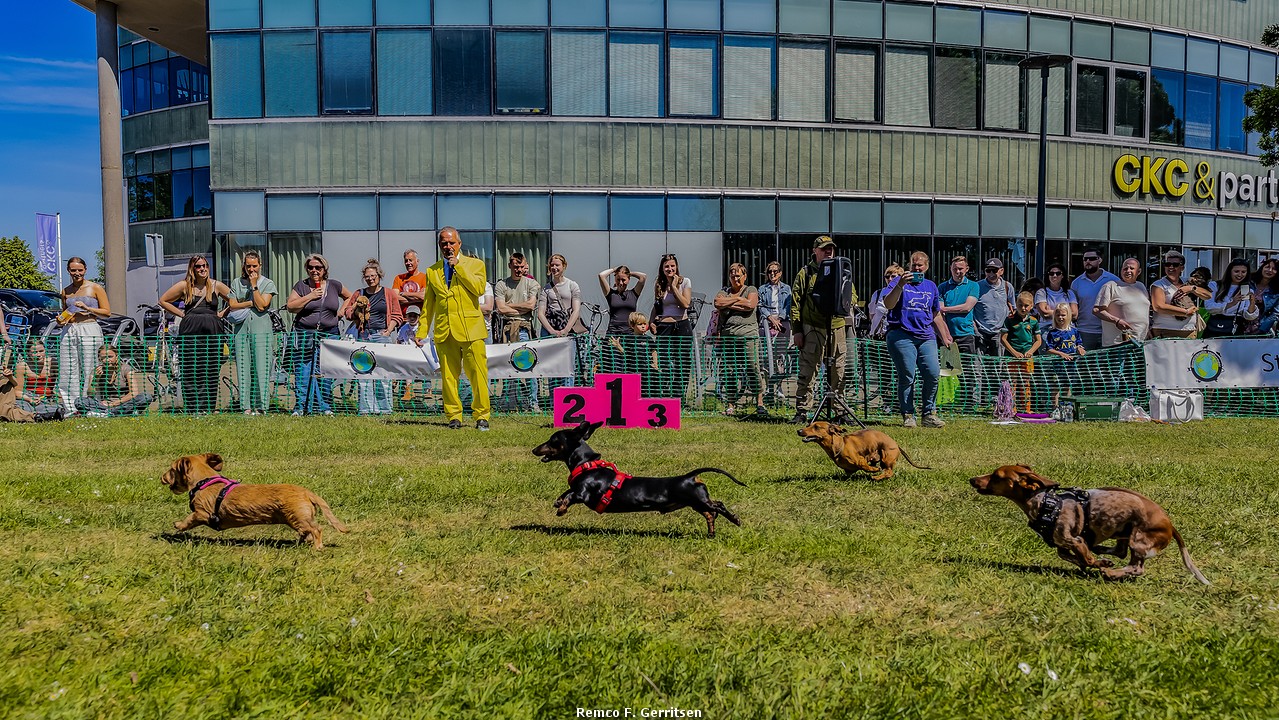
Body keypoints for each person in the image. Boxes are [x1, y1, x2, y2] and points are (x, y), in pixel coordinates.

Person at [417, 227, 490, 431]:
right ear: (440, 246)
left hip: (471, 330)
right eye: (444, 243)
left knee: (478, 374)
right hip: (444, 330)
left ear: (459, 244)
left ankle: (482, 415)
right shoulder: (432, 271)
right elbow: (429, 305)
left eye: (451, 243)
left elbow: (478, 289)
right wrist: (422, 331)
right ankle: (454, 416)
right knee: (448, 377)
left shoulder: (476, 264)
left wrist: (459, 267)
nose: (448, 247)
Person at [788, 236, 855, 424]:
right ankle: (802, 411)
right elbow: (795, 304)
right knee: (808, 370)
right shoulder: (806, 273)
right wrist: (797, 331)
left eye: (831, 248)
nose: (829, 252)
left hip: (837, 327)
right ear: (815, 251)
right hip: (813, 327)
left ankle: (840, 411)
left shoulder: (842, 270)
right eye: (824, 248)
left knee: (839, 371)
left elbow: (852, 294)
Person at [882, 251, 953, 428]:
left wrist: (944, 335)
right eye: (913, 265)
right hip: (901, 335)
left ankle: (929, 414)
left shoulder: (931, 286)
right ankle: (908, 415)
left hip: (926, 336)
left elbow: (935, 313)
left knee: (932, 373)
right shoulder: (898, 282)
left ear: (926, 266)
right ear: (909, 266)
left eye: (920, 265)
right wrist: (899, 284)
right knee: (907, 375)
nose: (916, 268)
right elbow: (888, 304)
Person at [158, 255, 232, 414]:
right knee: (190, 370)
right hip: (190, 330)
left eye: (205, 265)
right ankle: (192, 408)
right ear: (193, 268)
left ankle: (207, 408)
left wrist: (221, 314)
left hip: (213, 331)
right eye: (198, 266)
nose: (202, 269)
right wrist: (182, 314)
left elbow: (235, 300)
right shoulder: (184, 286)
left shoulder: (216, 285)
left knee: (210, 370)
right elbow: (163, 300)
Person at [285, 253, 350, 416]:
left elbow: (351, 297)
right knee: (303, 370)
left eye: (318, 267)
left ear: (324, 269)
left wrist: (341, 311)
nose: (314, 270)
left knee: (326, 371)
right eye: (311, 267)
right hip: (305, 334)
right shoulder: (301, 286)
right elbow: (290, 306)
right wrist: (310, 296)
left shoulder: (334, 285)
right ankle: (301, 407)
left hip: (329, 335)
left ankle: (325, 407)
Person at [342, 258, 403, 415]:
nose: (370, 279)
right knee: (364, 373)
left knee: (384, 375)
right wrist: (356, 304)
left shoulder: (388, 293)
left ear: (379, 275)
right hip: (363, 336)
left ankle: (385, 409)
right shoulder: (359, 293)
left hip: (382, 336)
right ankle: (365, 409)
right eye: (367, 276)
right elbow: (347, 313)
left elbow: (397, 315)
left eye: (373, 276)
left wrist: (388, 331)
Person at [57, 256, 110, 415]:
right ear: (68, 271)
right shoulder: (65, 291)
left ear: (85, 270)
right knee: (68, 369)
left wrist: (87, 308)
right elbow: (64, 312)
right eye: (73, 270)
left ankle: (92, 406)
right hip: (70, 329)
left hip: (89, 327)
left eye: (80, 270)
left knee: (91, 367)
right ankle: (71, 408)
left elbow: (107, 312)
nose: (77, 273)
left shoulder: (95, 288)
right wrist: (61, 320)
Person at [227, 251, 277, 415]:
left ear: (260, 265)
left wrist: (254, 285)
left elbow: (263, 305)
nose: (251, 269)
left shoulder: (267, 283)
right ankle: (245, 405)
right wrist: (251, 303)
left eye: (254, 265)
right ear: (244, 266)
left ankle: (261, 405)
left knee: (262, 366)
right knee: (243, 366)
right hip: (241, 330)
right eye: (248, 266)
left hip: (261, 329)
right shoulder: (236, 282)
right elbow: (232, 304)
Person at [713, 262, 765, 416]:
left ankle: (760, 402)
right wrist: (738, 301)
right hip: (728, 337)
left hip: (748, 336)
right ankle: (730, 404)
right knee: (729, 371)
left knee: (752, 367)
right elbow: (717, 303)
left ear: (745, 276)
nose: (735, 278)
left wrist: (729, 302)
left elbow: (750, 304)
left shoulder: (751, 289)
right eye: (733, 275)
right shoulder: (724, 291)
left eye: (738, 275)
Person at [494, 252, 541, 411]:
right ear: (510, 266)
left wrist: (510, 306)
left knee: (529, 366)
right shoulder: (502, 285)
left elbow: (530, 306)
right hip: (507, 330)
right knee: (508, 367)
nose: (519, 270)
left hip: (524, 329)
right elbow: (500, 308)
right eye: (516, 267)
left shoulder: (531, 284)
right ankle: (510, 401)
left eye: (521, 267)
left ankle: (532, 402)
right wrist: (519, 308)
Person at [538, 253, 587, 391]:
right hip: (550, 329)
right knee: (552, 366)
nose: (554, 267)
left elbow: (576, 310)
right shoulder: (546, 288)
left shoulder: (572, 285)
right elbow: (540, 313)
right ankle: (553, 398)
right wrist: (551, 331)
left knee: (568, 365)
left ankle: (567, 395)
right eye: (552, 265)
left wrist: (566, 330)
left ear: (564, 266)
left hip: (568, 328)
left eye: (557, 265)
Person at [938, 256, 981, 410]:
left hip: (966, 334)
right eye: (955, 268)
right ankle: (948, 401)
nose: (958, 271)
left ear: (966, 269)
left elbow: (967, 307)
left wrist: (945, 309)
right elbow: (939, 314)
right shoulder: (942, 287)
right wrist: (945, 334)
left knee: (968, 371)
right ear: (950, 269)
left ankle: (969, 402)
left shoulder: (973, 286)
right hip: (948, 336)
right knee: (947, 371)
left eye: (961, 269)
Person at [650, 253, 694, 401]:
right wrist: (651, 321)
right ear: (662, 268)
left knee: (682, 361)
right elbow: (657, 306)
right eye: (667, 266)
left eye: (672, 266)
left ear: (677, 267)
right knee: (664, 361)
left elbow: (685, 304)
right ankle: (664, 395)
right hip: (664, 326)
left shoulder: (685, 282)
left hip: (682, 325)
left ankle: (678, 397)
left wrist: (674, 287)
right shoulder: (659, 284)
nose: (670, 269)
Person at [74, 344, 154, 417]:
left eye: (110, 357)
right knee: (79, 401)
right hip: (103, 404)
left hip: (124, 402)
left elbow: (133, 393)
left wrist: (113, 404)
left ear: (116, 356)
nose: (107, 360)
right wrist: (95, 379)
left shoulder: (126, 369)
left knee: (146, 397)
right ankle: (118, 413)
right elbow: (90, 394)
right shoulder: (96, 371)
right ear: (99, 359)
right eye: (103, 358)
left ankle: (106, 413)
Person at [1149, 250, 1209, 339]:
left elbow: (1208, 296)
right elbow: (1158, 306)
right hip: (1165, 330)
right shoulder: (1158, 285)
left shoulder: (1188, 282)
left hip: (1189, 331)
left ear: (1182, 268)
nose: (1171, 267)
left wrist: (1192, 288)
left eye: (1175, 265)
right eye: (1167, 264)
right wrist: (1186, 312)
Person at [599, 264, 647, 372]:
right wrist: (614, 270)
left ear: (628, 280)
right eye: (618, 279)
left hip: (629, 334)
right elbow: (601, 276)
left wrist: (629, 273)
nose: (621, 283)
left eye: (624, 280)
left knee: (630, 364)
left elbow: (643, 277)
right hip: (613, 334)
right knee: (615, 366)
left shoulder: (633, 294)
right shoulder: (611, 294)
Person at [1000, 292, 1042, 413]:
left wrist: (1030, 352)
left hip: (1027, 358)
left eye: (1026, 305)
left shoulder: (1033, 321)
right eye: (1020, 305)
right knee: (1012, 383)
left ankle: (1026, 408)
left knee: (1026, 383)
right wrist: (1014, 353)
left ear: (1032, 306)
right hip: (1012, 357)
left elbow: (1038, 341)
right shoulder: (1009, 320)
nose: (1023, 308)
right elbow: (1003, 339)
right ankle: (1011, 408)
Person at [1095, 258, 1151, 346]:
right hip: (1118, 343)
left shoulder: (1141, 286)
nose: (1128, 271)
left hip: (1141, 340)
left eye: (1131, 268)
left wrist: (1148, 329)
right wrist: (1117, 321)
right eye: (1125, 268)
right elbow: (1097, 310)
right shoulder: (1110, 285)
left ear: (1139, 271)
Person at [1072, 248, 1120, 350]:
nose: (1088, 261)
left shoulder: (1113, 280)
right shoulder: (1076, 283)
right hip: (1084, 331)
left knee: (1106, 364)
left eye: (1092, 258)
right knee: (1085, 364)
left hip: (1108, 330)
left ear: (1100, 260)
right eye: (1085, 259)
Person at [1204, 258, 1260, 338]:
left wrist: (1252, 303)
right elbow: (1209, 307)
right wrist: (1231, 303)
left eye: (1243, 272)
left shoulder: (1247, 289)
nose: (1240, 275)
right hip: (1215, 325)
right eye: (1236, 271)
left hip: (1236, 326)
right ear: (1230, 271)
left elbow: (1249, 316)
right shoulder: (1215, 285)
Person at [1043, 303, 1084, 409]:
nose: (1060, 318)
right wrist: (1061, 354)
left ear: (1068, 315)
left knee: (1067, 386)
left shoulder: (1074, 331)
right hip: (1057, 366)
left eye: (1063, 315)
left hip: (1070, 365)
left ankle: (1067, 406)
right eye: (1058, 315)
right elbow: (1049, 349)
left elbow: (1079, 343)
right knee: (1056, 386)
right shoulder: (1052, 333)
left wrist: (1080, 348)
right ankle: (1055, 408)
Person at [14, 340, 59, 417]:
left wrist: (46, 364)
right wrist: (30, 399)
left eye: (41, 351)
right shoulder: (22, 366)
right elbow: (17, 392)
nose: (38, 355)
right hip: (28, 397)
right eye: (35, 352)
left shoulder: (53, 363)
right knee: (21, 406)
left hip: (47, 398)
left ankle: (42, 413)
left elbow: (61, 386)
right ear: (28, 353)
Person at [622, 311, 660, 395]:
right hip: (631, 369)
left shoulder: (648, 339)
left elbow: (654, 351)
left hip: (645, 369)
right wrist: (618, 346)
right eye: (640, 324)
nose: (643, 326)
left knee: (645, 388)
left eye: (644, 324)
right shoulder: (628, 339)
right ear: (632, 326)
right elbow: (624, 352)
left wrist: (655, 364)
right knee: (632, 390)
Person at [1034, 263, 1079, 331]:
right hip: (1047, 328)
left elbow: (1075, 314)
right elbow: (1045, 314)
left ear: (1062, 276)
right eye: (1051, 273)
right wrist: (1067, 312)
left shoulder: (1069, 293)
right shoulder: (1041, 293)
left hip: (1068, 329)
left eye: (1058, 273)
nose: (1054, 276)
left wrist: (1051, 312)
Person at [391, 249, 426, 314]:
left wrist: (404, 294)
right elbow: (394, 299)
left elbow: (423, 296)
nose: (408, 263)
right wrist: (417, 298)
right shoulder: (399, 278)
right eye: (406, 261)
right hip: (403, 319)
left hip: (419, 318)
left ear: (417, 261)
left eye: (410, 260)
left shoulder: (424, 277)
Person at [1253, 258, 1279, 335]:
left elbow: (1275, 314)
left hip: (1261, 327)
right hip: (1239, 325)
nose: (1270, 270)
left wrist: (1261, 330)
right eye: (1267, 267)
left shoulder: (1276, 291)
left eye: (1274, 269)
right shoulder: (1250, 283)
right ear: (1262, 267)